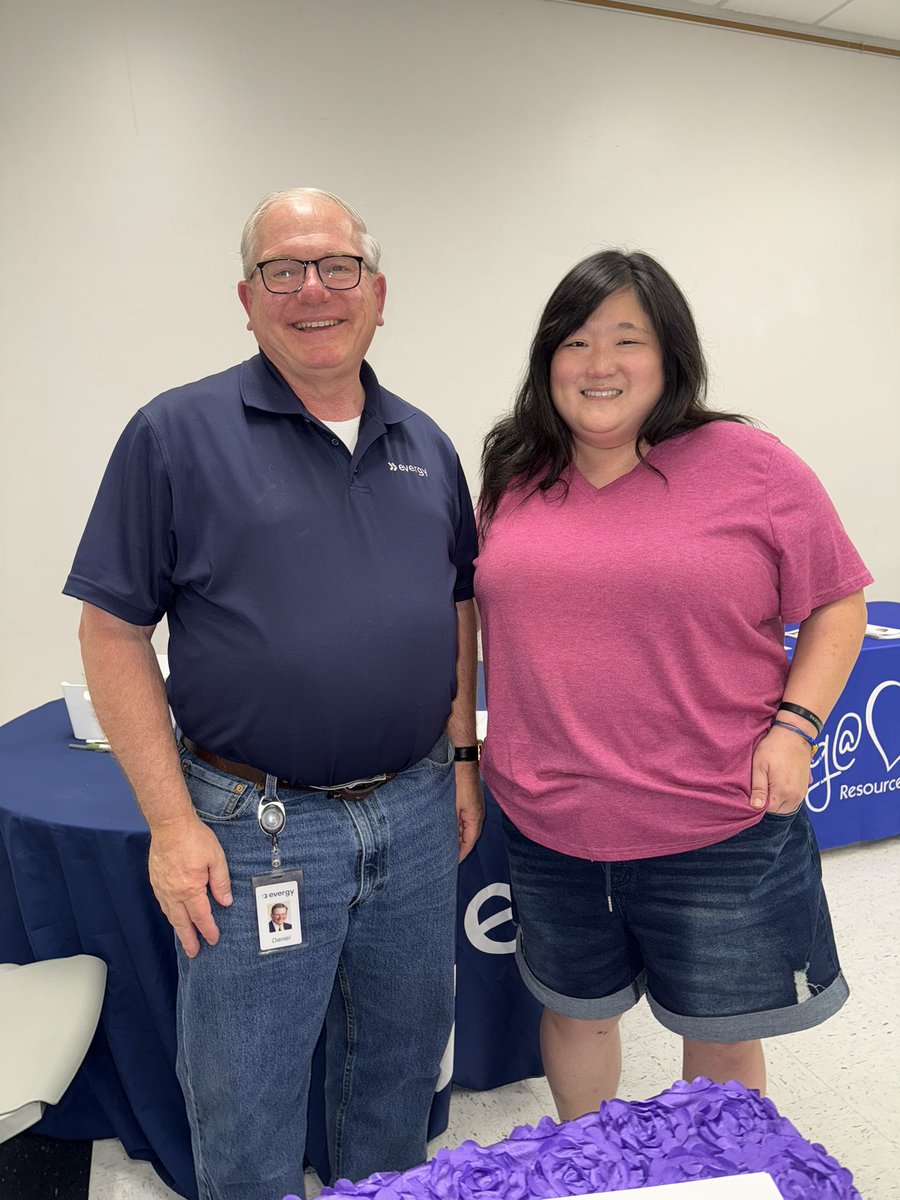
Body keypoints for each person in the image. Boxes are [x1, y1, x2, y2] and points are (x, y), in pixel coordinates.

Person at [64, 187, 483, 1200]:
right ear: (245, 300)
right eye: (281, 269)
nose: (312, 289)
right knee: (245, 1088)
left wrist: (462, 756)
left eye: (337, 266)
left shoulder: (425, 442)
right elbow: (113, 630)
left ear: (378, 294)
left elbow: (458, 607)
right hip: (256, 825)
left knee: (398, 1063)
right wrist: (169, 823)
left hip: (418, 807)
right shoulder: (175, 434)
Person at [475, 249, 870, 1121]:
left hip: (715, 818)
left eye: (628, 339)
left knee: (721, 1034)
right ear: (548, 361)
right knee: (576, 1016)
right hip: (552, 818)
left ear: (671, 356)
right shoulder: (515, 472)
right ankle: (589, 1166)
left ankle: (713, 1175)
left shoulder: (750, 465)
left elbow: (840, 600)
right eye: (576, 342)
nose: (601, 364)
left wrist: (796, 726)